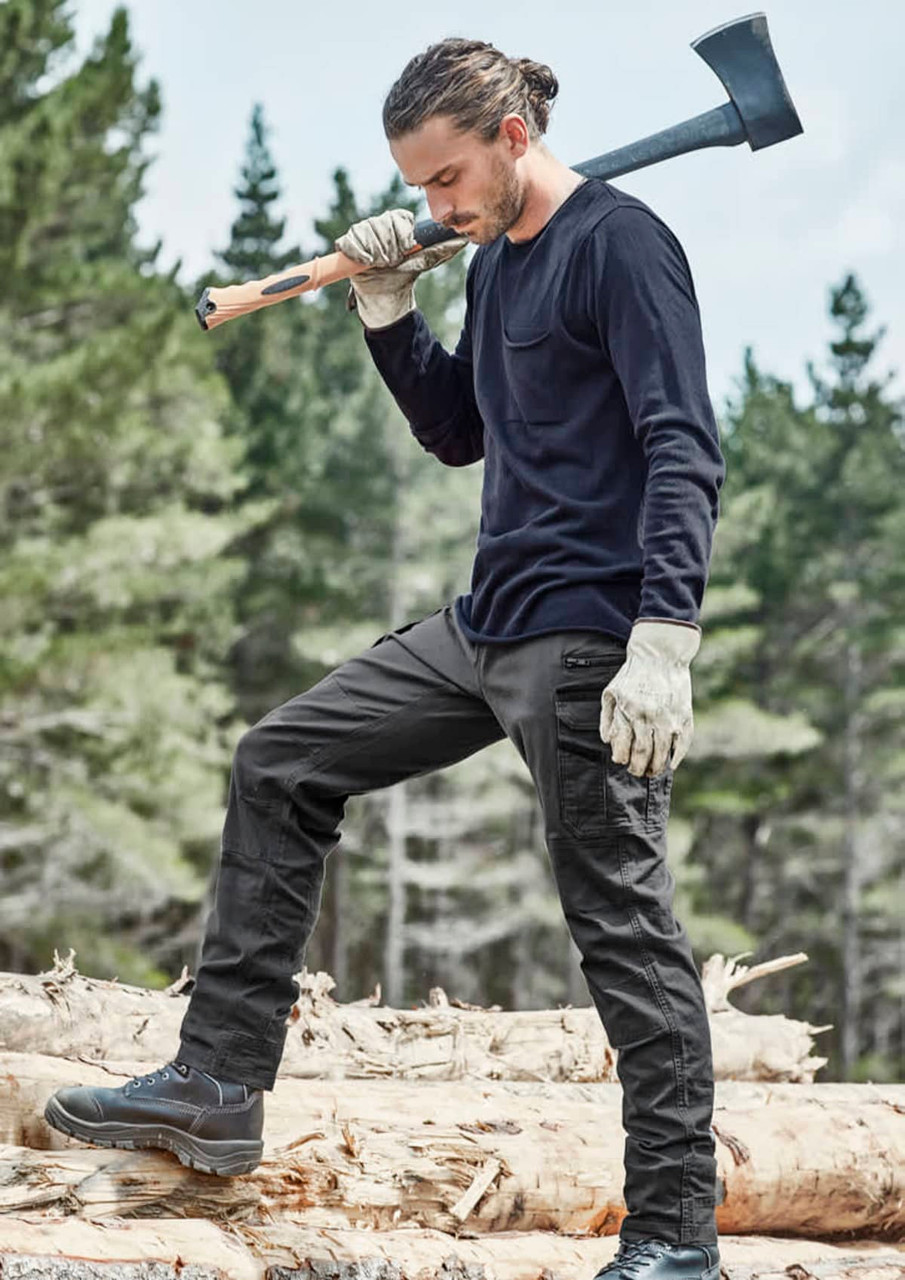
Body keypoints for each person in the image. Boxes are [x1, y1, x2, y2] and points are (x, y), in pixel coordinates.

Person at [44, 37, 725, 1280]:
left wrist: (663, 639)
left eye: (446, 178)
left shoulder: (621, 246)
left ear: (512, 136)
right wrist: (387, 307)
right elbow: (460, 430)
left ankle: (675, 1237)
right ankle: (217, 1084)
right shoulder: (499, 259)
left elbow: (681, 442)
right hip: (485, 624)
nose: (435, 206)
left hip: (591, 638)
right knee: (280, 759)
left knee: (621, 924)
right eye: (418, 188)